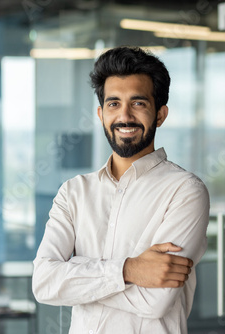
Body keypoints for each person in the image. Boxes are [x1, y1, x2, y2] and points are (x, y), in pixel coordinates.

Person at [32, 46, 210, 333]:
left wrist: (76, 278)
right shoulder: (74, 192)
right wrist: (130, 270)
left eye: (138, 103)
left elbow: (155, 301)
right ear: (101, 114)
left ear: (160, 114)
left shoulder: (185, 191)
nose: (124, 116)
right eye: (114, 104)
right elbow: (43, 283)